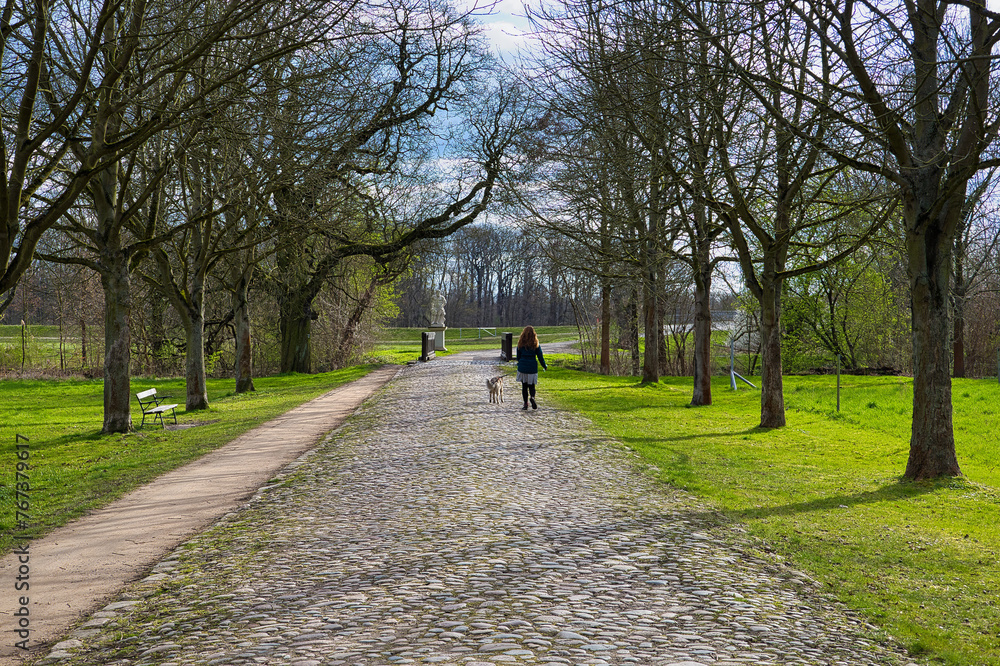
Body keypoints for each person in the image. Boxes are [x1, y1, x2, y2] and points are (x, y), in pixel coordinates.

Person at [516, 325, 547, 410]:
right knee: (532, 386)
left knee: (524, 386)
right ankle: (532, 397)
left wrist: (520, 363)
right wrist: (544, 366)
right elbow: (540, 357)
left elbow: (518, 357)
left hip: (523, 367)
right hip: (532, 367)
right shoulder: (535, 344)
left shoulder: (520, 344)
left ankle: (525, 404)